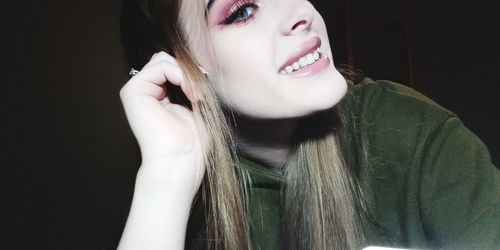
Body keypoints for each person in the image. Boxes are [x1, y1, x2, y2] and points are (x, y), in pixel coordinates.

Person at [117, 0, 500, 249]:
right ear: (183, 74)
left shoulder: (407, 133)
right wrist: (168, 175)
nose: (301, 11)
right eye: (242, 11)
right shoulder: (189, 198)